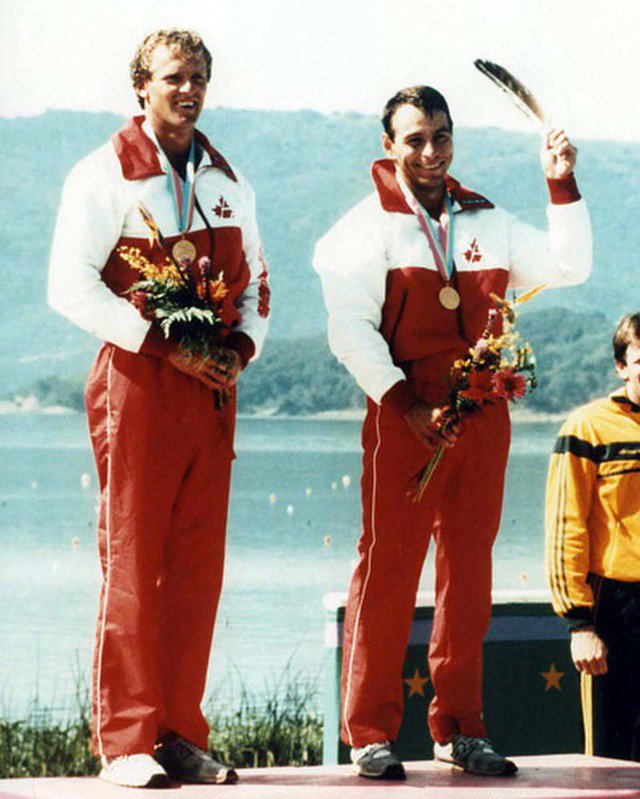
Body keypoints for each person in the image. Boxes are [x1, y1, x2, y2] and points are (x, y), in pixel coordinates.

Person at [313, 85, 591, 779]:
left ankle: (460, 725)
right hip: (403, 411)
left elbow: (570, 267)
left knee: (469, 575)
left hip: (482, 412)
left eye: (441, 136)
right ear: (389, 145)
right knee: (388, 571)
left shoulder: (485, 220)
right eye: (414, 139)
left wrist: (561, 181)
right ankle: (372, 730)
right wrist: (404, 402)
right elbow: (349, 331)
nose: (431, 151)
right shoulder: (362, 229)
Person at [48, 29, 270, 788]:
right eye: (174, 76)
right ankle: (126, 741)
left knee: (197, 570)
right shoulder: (105, 172)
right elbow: (69, 286)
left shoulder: (227, 180)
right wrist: (159, 344)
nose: (189, 89)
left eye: (200, 76)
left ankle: (179, 730)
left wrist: (235, 353)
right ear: (140, 86)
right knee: (134, 563)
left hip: (210, 390)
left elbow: (260, 288)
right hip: (138, 382)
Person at [546, 314, 640, 761]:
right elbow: (566, 526)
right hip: (617, 604)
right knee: (613, 754)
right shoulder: (587, 428)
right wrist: (579, 623)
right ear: (622, 366)